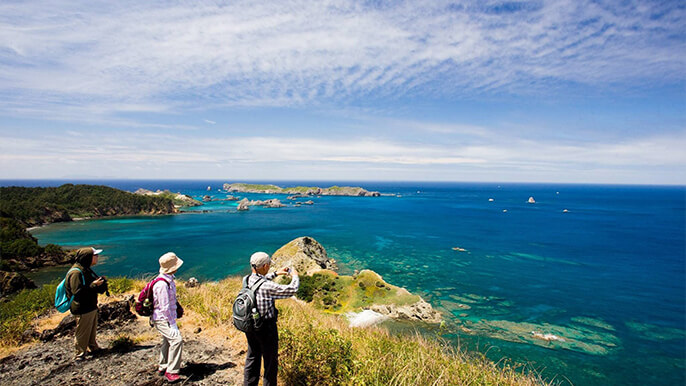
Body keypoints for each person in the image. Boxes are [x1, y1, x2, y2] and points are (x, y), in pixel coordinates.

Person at [243, 251, 299, 386]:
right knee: (270, 362)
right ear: (264, 266)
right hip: (266, 327)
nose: (269, 267)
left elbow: (260, 280)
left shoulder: (246, 279)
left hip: (250, 325)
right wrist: (295, 276)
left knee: (252, 357)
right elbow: (291, 290)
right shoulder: (267, 286)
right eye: (268, 265)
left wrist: (276, 273)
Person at [65, 247, 108, 361]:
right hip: (82, 307)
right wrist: (94, 285)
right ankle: (80, 353)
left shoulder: (85, 269)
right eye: (95, 255)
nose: (97, 257)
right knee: (83, 331)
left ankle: (93, 347)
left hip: (89, 305)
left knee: (91, 329)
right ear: (88, 258)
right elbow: (77, 292)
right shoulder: (76, 272)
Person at [151, 252, 184, 383]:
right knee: (177, 340)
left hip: (164, 318)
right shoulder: (162, 284)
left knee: (167, 341)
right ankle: (172, 371)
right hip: (163, 319)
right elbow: (164, 307)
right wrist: (172, 324)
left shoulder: (167, 280)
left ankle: (163, 365)